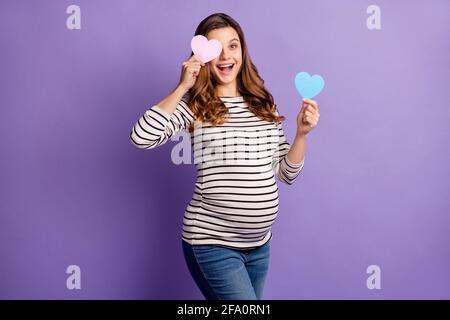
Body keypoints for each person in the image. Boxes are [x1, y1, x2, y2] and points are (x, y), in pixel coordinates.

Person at [130, 12, 320, 300]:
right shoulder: (195, 105)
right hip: (210, 244)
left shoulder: (262, 103)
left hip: (259, 247)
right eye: (215, 48)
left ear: (242, 50)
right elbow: (141, 137)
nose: (225, 56)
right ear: (202, 55)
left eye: (232, 46)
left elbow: (287, 173)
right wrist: (183, 86)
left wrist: (302, 134)